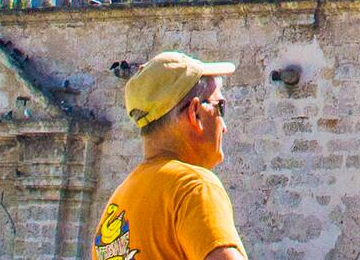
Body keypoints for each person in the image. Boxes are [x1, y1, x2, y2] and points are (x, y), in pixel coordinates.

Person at [94, 51, 248, 260]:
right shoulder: (193, 188)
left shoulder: (119, 201)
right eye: (220, 106)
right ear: (195, 113)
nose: (224, 126)